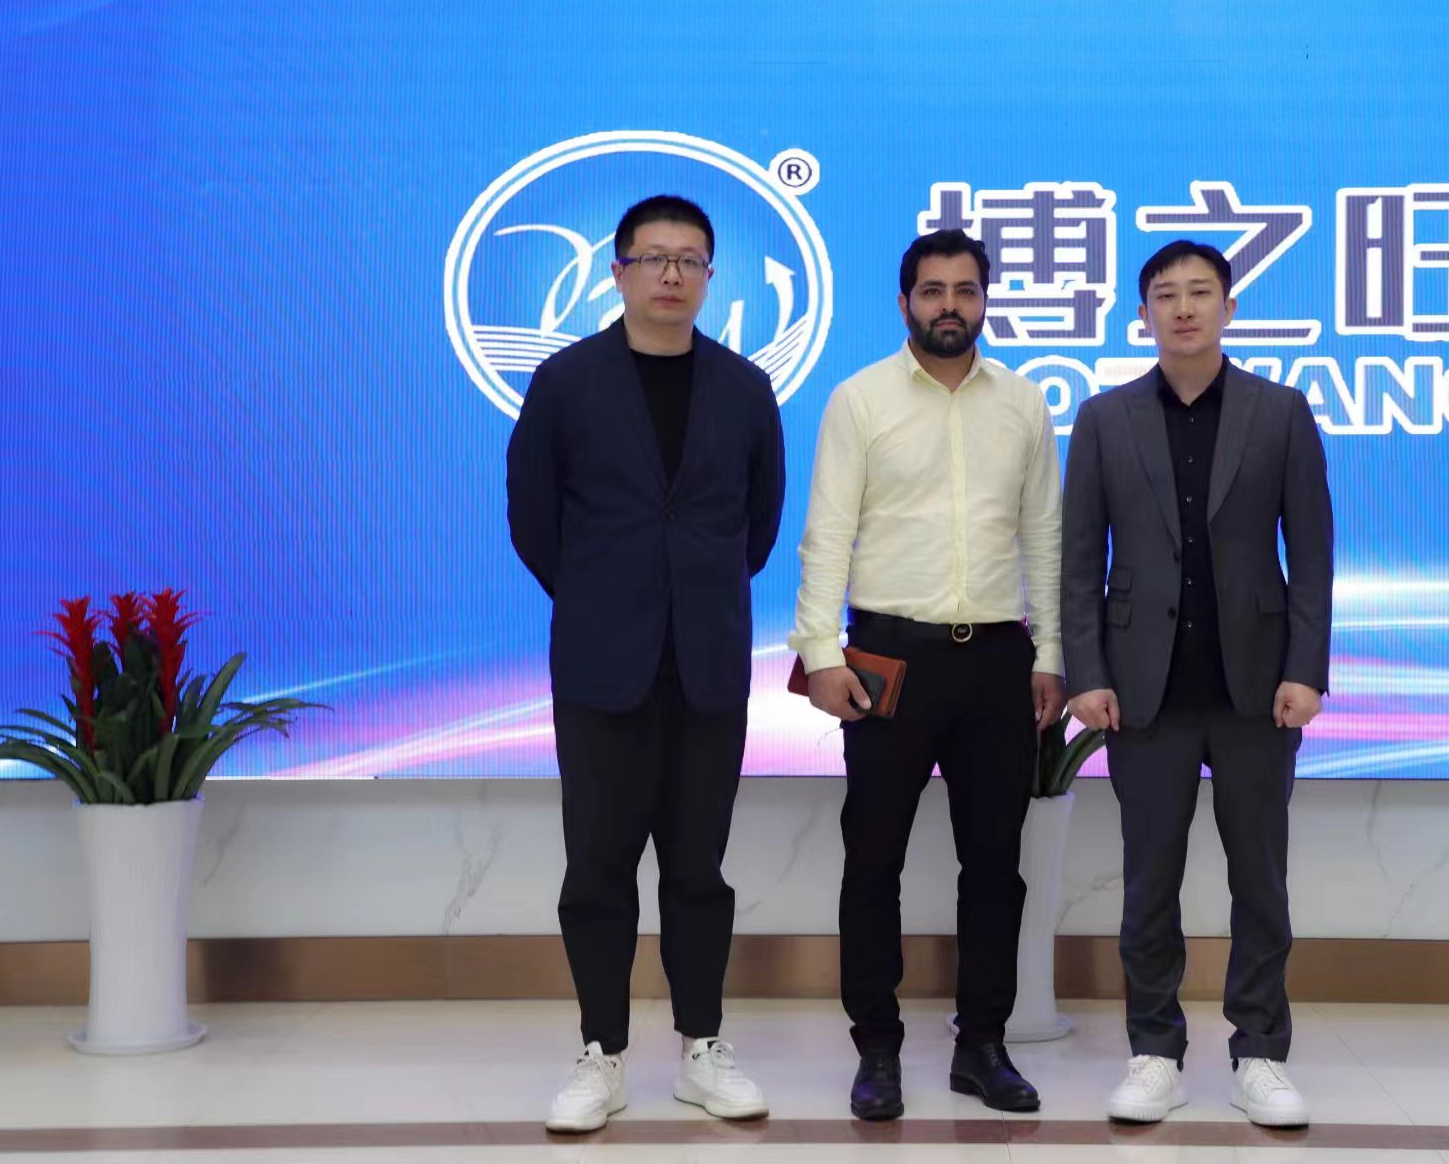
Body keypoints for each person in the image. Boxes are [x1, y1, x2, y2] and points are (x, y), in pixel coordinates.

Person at [506, 195, 786, 1133]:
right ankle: (602, 1053)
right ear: (618, 270)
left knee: (699, 868)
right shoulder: (566, 382)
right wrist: (604, 595)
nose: (672, 274)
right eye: (654, 257)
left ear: (709, 277)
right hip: (602, 664)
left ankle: (704, 1048)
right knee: (597, 866)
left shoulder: (745, 388)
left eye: (690, 260)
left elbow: (757, 527)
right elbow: (533, 519)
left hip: (707, 663)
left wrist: (688, 593)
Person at [790, 228, 1063, 1121]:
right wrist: (820, 655)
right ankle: (877, 1049)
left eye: (966, 290)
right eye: (933, 290)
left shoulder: (1022, 404)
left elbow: (1045, 538)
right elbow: (828, 533)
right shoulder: (860, 399)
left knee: (995, 867)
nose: (951, 305)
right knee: (874, 860)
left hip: (997, 659)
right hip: (887, 658)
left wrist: (1051, 655)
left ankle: (982, 1045)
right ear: (904, 301)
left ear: (985, 300)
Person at [1061, 240, 1332, 1128]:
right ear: (1142, 315)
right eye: (1166, 295)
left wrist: (1305, 668)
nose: (1183, 308)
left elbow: (1312, 553)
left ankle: (1261, 1052)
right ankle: (1154, 1051)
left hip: (1257, 689)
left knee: (1262, 881)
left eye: (1201, 292)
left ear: (1228, 308)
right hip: (1145, 692)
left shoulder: (1280, 412)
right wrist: (1087, 674)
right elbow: (1079, 560)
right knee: (1149, 882)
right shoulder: (1104, 419)